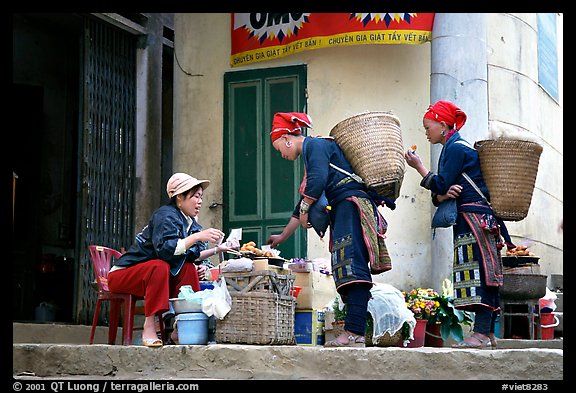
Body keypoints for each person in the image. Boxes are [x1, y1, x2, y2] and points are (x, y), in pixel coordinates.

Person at [269, 112, 394, 347]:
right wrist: (283, 236)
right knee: (345, 269)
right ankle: (353, 331)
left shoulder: (316, 144)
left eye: (279, 149)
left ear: (286, 138)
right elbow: (305, 201)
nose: (282, 155)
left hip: (350, 206)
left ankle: (354, 332)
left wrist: (306, 209)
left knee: (353, 267)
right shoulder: (311, 152)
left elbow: (317, 182)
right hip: (342, 209)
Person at [404, 100, 514, 349]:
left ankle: (481, 334)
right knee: (479, 273)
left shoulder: (455, 149)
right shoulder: (452, 147)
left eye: (428, 127)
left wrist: (419, 166)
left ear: (443, 125)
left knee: (481, 274)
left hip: (474, 219)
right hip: (475, 219)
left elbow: (441, 184)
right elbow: (442, 191)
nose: (425, 132)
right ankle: (486, 333)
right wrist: (441, 195)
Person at [107, 172, 239, 347]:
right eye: (195, 196)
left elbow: (191, 255)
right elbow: (166, 250)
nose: (200, 201)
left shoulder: (188, 221)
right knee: (159, 266)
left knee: (188, 268)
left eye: (201, 197)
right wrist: (198, 237)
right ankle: (150, 326)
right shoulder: (165, 216)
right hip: (122, 276)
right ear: (179, 197)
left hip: (151, 278)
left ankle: (181, 326)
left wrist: (217, 249)